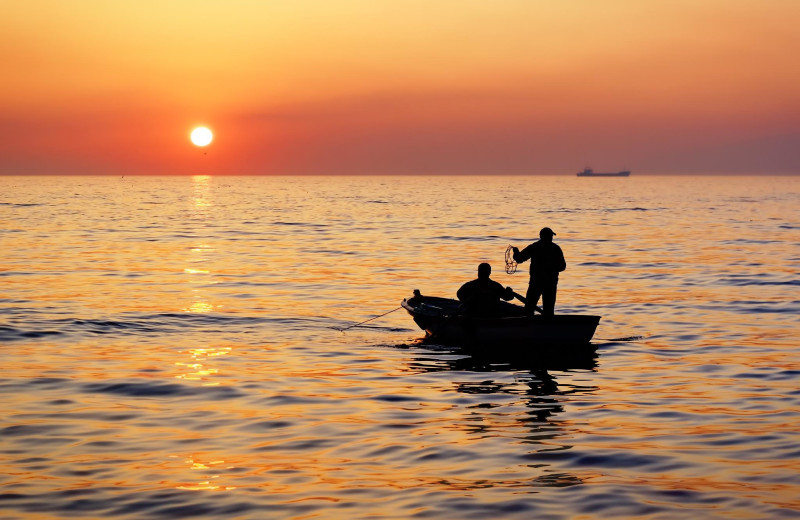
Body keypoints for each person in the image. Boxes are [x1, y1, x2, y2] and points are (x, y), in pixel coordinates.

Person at [512, 227, 566, 316]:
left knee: (529, 308)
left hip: (536, 282)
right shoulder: (556, 248)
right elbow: (562, 267)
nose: (551, 237)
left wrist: (516, 252)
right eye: (551, 236)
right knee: (548, 311)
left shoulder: (534, 247)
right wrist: (551, 268)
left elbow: (519, 259)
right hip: (550, 283)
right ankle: (546, 327)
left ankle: (529, 327)